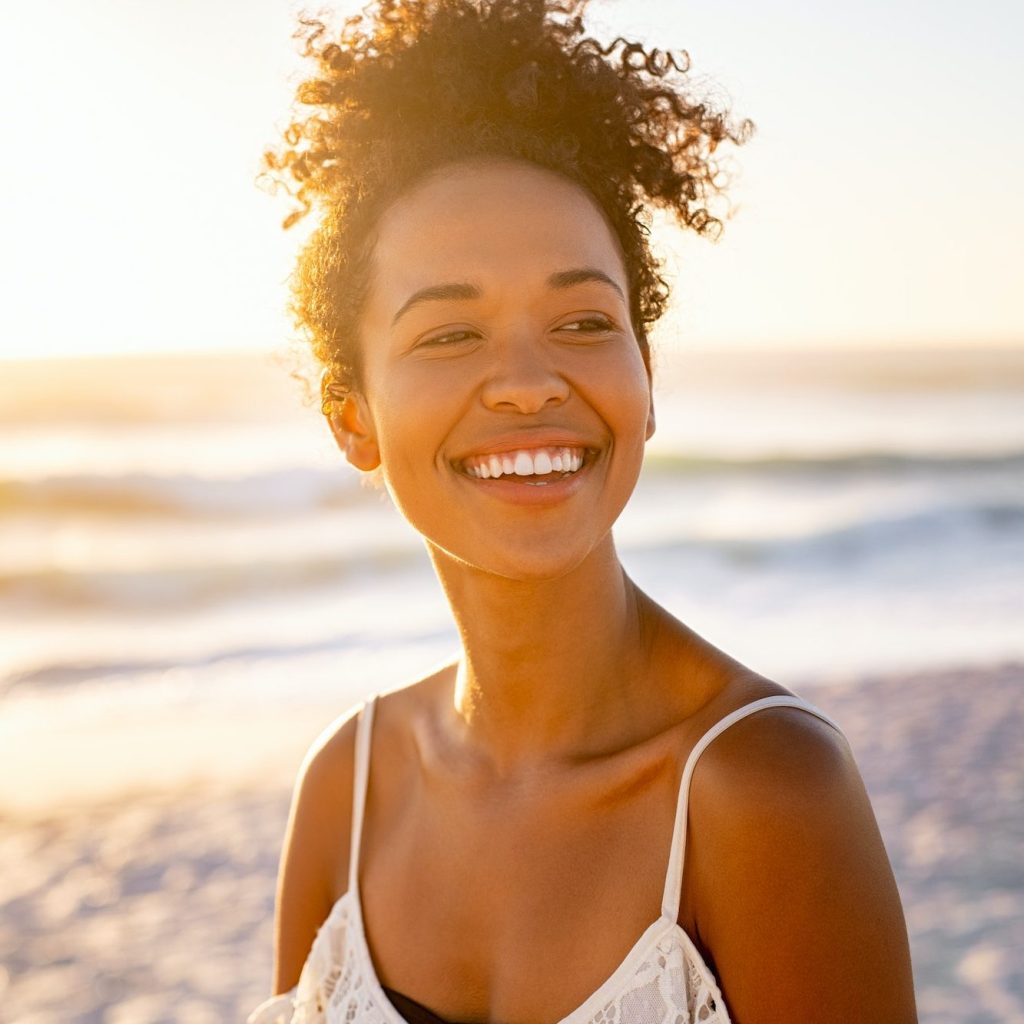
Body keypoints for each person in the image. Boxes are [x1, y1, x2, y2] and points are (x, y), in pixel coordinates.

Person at [248, 1, 918, 1021]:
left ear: (644, 381)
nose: (527, 382)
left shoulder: (762, 790)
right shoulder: (347, 788)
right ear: (353, 420)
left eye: (581, 320)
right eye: (449, 335)